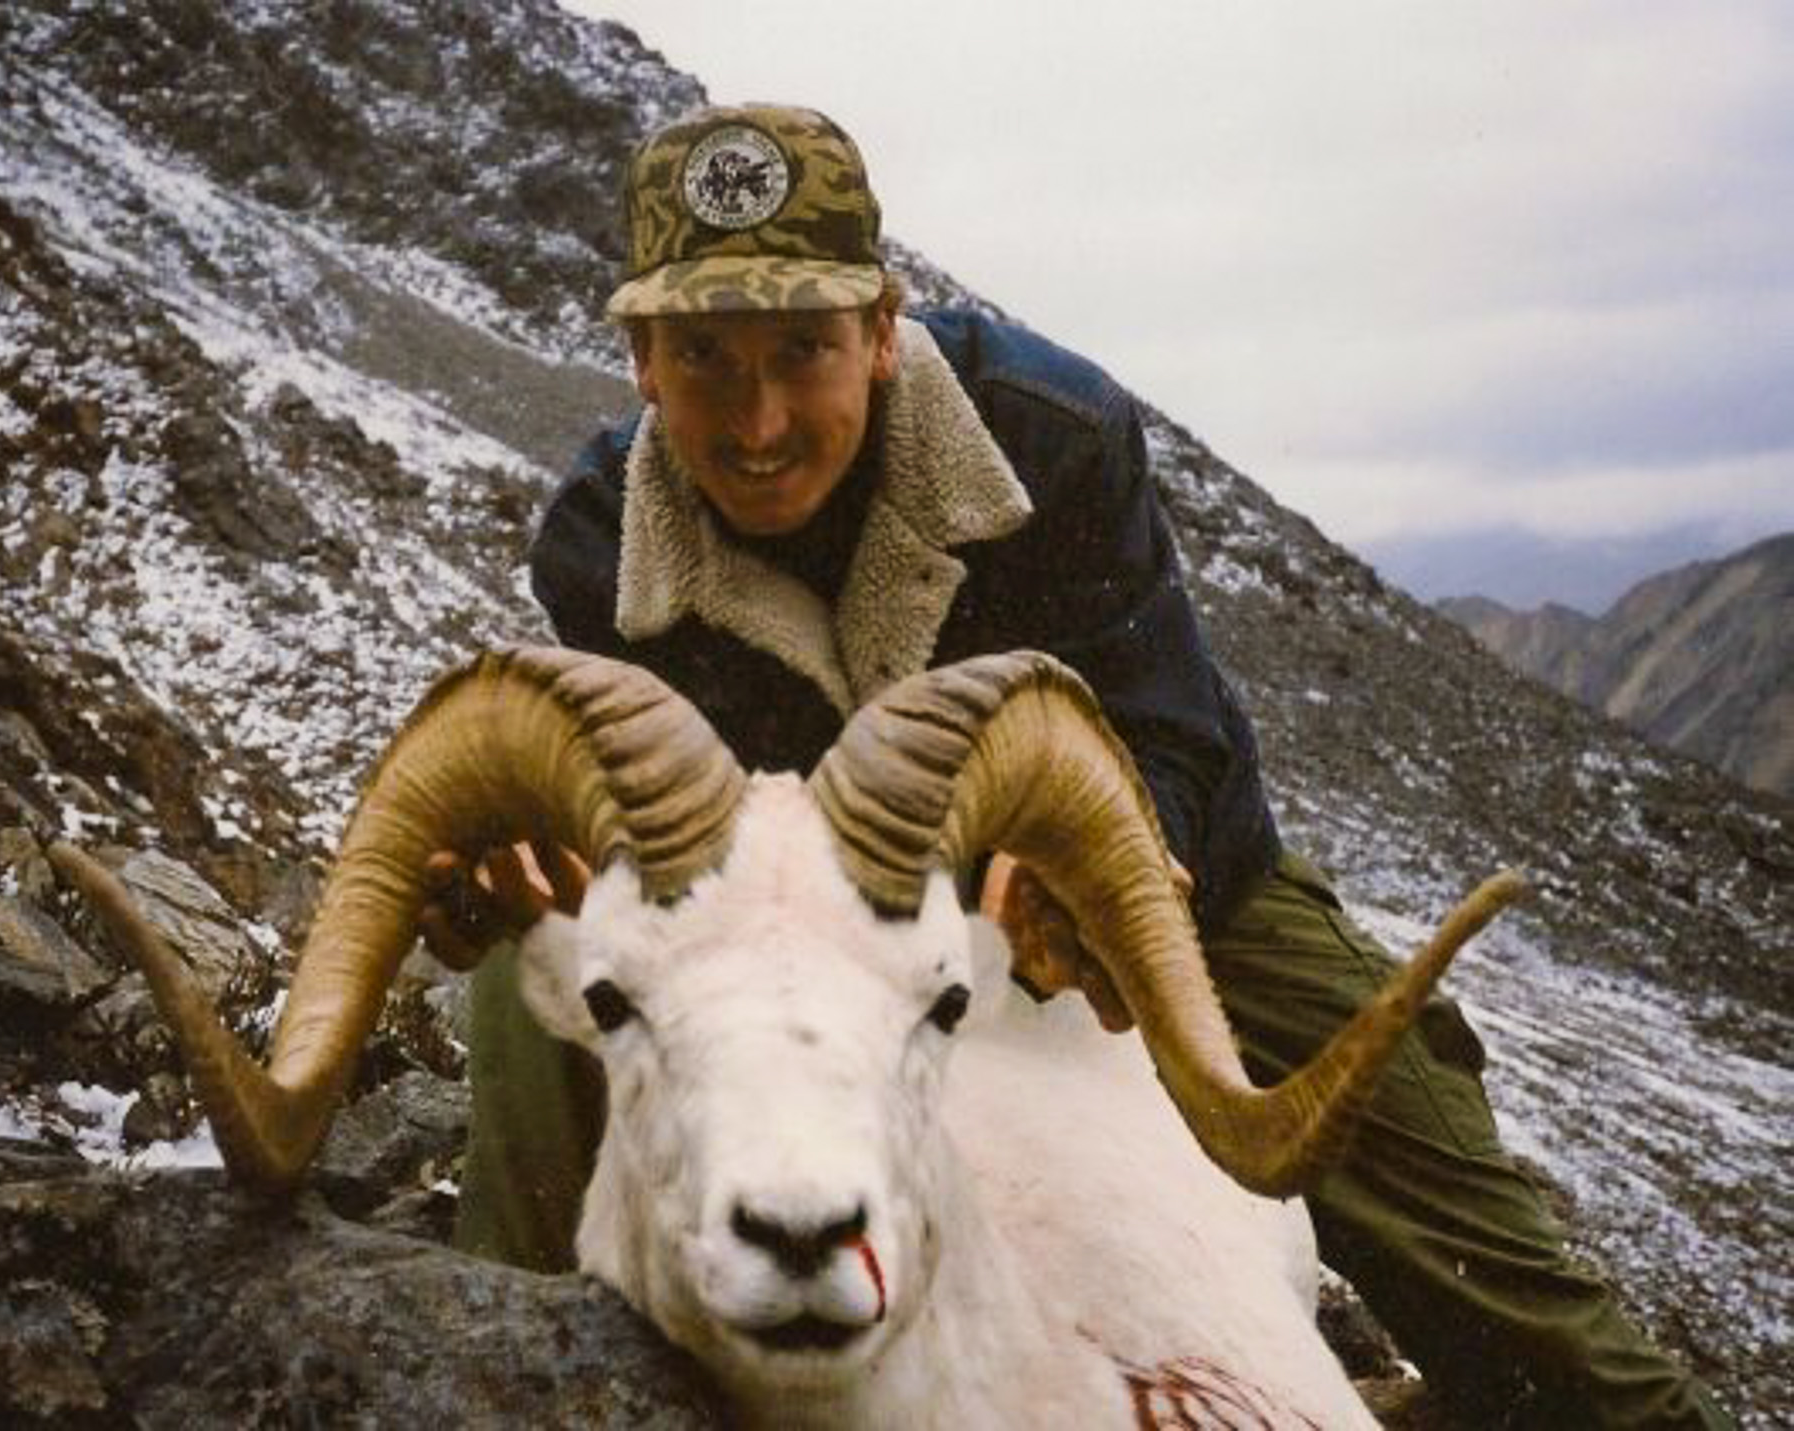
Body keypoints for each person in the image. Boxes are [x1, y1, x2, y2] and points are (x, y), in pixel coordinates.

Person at [430, 102, 1732, 1429]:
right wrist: (525, 873)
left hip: (1136, 894)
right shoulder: (604, 544)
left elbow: (1170, 731)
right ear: (642, 359)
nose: (757, 419)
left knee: (1486, 1268)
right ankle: (507, 1355)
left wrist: (1117, 868)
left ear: (882, 334)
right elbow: (662, 847)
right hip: (836, 950)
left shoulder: (1049, 437)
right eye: (704, 355)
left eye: (804, 349)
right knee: (519, 983)